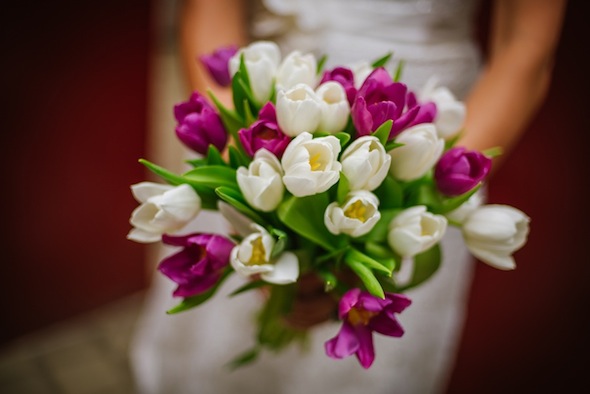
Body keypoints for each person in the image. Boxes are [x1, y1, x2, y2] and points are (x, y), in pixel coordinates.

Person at [130, 1, 567, 393]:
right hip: (256, 135)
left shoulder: (421, 180)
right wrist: (246, 182)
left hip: (420, 147)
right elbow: (209, 10)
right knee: (215, 357)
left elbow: (525, 49)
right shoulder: (249, 165)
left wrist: (428, 191)